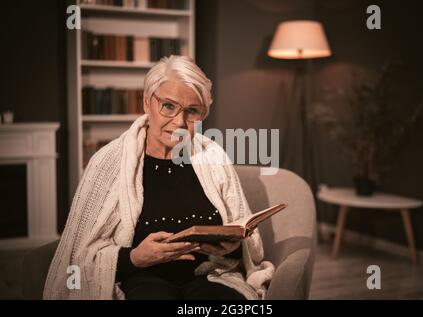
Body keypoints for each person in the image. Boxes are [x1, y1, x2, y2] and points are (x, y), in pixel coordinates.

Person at [44, 55, 274, 300]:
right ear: (146, 102)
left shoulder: (213, 156)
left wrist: (234, 247)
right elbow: (79, 255)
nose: (180, 122)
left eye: (192, 111)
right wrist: (134, 257)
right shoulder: (108, 161)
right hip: (141, 279)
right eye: (168, 106)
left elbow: (244, 236)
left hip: (211, 275)